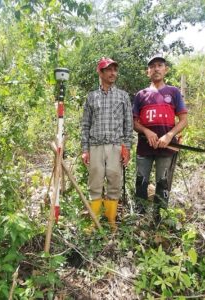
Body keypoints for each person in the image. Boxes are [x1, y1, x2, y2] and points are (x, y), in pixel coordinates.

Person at [132, 54, 188, 223]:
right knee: (141, 181)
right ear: (147, 72)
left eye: (159, 65)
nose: (156, 69)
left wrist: (170, 135)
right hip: (144, 146)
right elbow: (135, 123)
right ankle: (140, 218)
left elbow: (183, 120)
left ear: (165, 69)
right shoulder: (140, 95)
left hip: (167, 147)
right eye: (152, 66)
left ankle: (158, 219)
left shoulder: (174, 92)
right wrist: (146, 131)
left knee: (162, 182)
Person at [81, 57, 133, 231]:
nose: (113, 73)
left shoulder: (123, 96)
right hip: (95, 146)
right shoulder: (91, 97)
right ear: (100, 72)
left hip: (115, 146)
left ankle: (111, 220)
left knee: (114, 181)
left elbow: (128, 124)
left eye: (114, 70)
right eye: (109, 70)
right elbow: (86, 124)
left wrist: (127, 147)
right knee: (94, 183)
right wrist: (84, 149)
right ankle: (94, 222)